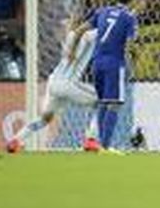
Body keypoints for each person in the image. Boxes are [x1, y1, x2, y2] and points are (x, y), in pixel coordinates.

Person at [68, 0, 146, 153]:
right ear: (133, 0)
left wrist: (72, 52)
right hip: (114, 63)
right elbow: (129, 45)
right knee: (114, 104)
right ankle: (106, 145)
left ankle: (98, 144)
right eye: (140, 0)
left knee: (103, 102)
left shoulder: (102, 11)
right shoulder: (129, 18)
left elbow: (79, 30)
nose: (142, 3)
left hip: (97, 62)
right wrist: (134, 62)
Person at [7, 17, 100, 153]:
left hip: (53, 82)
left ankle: (16, 140)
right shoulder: (88, 36)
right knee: (105, 102)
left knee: (45, 118)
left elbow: (69, 29)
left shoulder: (71, 37)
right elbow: (108, 30)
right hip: (68, 84)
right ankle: (91, 139)